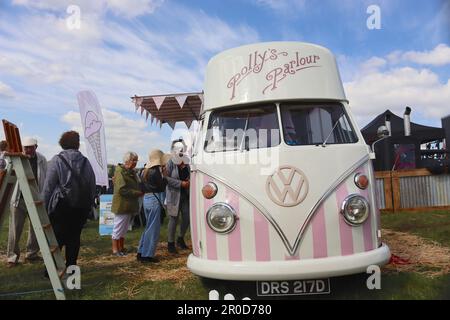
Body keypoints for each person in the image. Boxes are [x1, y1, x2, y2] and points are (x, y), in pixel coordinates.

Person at [43, 131, 96, 267]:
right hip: (80, 206)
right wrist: (90, 206)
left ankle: (52, 270)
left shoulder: (57, 160)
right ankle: (72, 268)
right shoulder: (86, 161)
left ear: (62, 143)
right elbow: (91, 185)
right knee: (74, 238)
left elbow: (48, 186)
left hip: (62, 206)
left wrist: (44, 208)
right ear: (77, 144)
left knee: (57, 238)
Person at [6, 137, 47, 267]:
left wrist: (42, 197)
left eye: (30, 147)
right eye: (26, 147)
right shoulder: (17, 158)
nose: (28, 150)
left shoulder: (42, 159)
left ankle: (32, 254)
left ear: (36, 147)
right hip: (19, 199)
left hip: (35, 199)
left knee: (36, 229)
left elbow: (44, 179)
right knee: (15, 229)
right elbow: (8, 170)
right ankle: (12, 257)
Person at [137, 150, 171, 263]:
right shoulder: (155, 171)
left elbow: (141, 187)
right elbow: (161, 188)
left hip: (146, 199)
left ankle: (141, 251)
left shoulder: (143, 171)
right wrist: (165, 177)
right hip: (154, 199)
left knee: (148, 227)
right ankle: (147, 255)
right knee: (153, 228)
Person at [111, 152, 143, 256]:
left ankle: (121, 247)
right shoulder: (120, 172)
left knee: (124, 228)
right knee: (118, 227)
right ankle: (115, 249)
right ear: (127, 161)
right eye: (133, 160)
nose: (135, 163)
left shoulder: (131, 172)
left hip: (129, 205)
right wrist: (137, 193)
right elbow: (122, 190)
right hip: (122, 205)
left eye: (136, 160)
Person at [165, 140, 191, 253]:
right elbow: (166, 178)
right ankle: (170, 243)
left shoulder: (187, 162)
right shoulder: (170, 162)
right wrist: (181, 183)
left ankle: (180, 238)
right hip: (174, 195)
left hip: (185, 195)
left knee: (187, 218)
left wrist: (189, 180)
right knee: (173, 219)